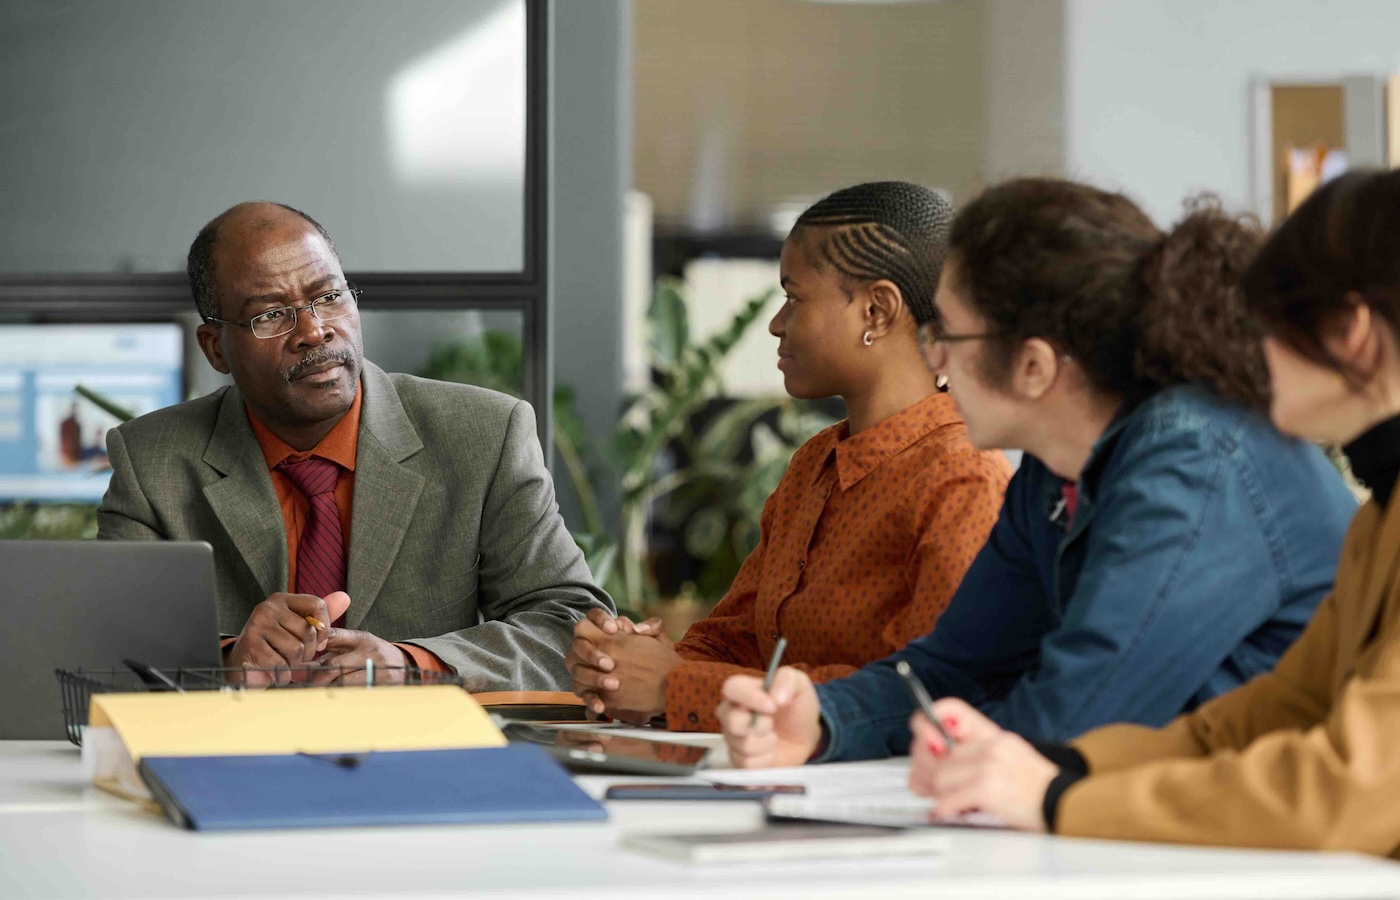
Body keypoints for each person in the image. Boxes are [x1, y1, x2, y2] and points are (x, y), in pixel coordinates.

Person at [718, 177, 1357, 765]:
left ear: (1035, 367)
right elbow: (954, 668)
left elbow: (1076, 719)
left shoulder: (1195, 464)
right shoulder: (1056, 472)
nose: (930, 354)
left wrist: (953, 744)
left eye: (949, 333)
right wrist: (822, 720)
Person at [898, 169, 1400, 853]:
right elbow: (1259, 723)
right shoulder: (1382, 518)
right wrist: (1067, 770)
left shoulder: (1203, 451)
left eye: (1272, 325)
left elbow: (1343, 793)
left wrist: (1054, 795)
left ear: (1354, 332)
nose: (1250, 349)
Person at [97, 201, 612, 688]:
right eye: (271, 315)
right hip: (232, 759)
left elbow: (571, 628)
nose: (314, 331)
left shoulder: (483, 435)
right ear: (216, 349)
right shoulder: (153, 461)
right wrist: (229, 659)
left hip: (421, 762)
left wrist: (414, 666)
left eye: (328, 296)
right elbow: (110, 645)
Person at [565, 182, 1012, 730]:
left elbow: (918, 693)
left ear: (876, 310)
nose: (777, 324)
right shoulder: (815, 463)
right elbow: (739, 640)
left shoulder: (965, 479)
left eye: (794, 297)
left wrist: (676, 684)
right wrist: (623, 660)